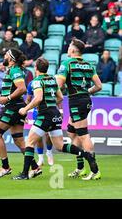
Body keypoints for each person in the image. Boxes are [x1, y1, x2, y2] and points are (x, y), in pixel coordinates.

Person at [13, 58, 98, 180]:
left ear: (36, 68)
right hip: (55, 114)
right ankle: (86, 155)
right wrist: (51, 104)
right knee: (59, 146)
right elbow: (60, 97)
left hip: (45, 115)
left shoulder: (36, 81)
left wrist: (25, 109)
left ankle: (24, 174)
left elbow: (38, 98)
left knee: (30, 142)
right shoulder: (52, 79)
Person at [56, 38, 102, 180]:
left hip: (76, 101)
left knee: (83, 134)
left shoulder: (67, 64)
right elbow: (99, 86)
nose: (68, 48)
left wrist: (59, 93)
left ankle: (95, 170)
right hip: (85, 100)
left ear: (74, 50)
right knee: (71, 131)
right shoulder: (89, 65)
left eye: (70, 46)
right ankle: (80, 167)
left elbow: (59, 85)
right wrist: (87, 91)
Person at [0, 48, 40, 178]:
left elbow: (22, 88)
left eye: (6, 55)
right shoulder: (13, 70)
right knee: (18, 140)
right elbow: (13, 89)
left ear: (11, 59)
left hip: (12, 107)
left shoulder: (15, 70)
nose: (4, 56)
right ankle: (34, 167)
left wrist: (6, 98)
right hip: (17, 106)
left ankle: (5, 167)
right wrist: (2, 96)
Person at [25, 79, 54, 167]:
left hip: (49, 111)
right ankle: (40, 158)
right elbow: (28, 99)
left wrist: (60, 110)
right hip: (37, 113)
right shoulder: (31, 84)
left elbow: (58, 97)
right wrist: (25, 113)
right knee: (38, 136)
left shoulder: (50, 81)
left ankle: (49, 153)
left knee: (48, 135)